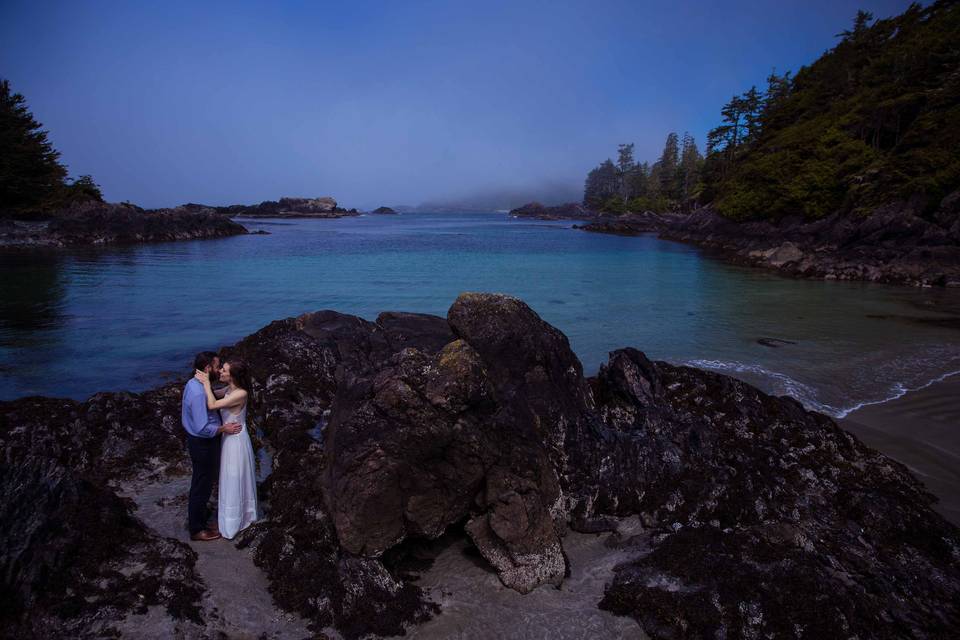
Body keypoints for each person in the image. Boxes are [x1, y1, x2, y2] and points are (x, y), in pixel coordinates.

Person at [181, 352, 242, 542]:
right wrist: (224, 428)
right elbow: (202, 427)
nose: (218, 370)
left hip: (195, 441)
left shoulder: (192, 383)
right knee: (202, 485)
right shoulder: (199, 393)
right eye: (217, 367)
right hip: (203, 444)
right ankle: (197, 529)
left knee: (201, 482)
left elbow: (209, 404)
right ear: (207, 369)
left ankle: (199, 518)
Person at [196, 358, 259, 539]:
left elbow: (212, 404)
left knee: (234, 478)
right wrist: (200, 384)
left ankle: (235, 521)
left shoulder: (241, 393)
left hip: (236, 442)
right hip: (228, 439)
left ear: (232, 377)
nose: (220, 373)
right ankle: (231, 518)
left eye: (224, 371)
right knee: (229, 477)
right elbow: (215, 394)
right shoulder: (230, 389)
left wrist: (206, 382)